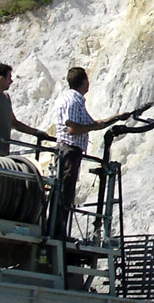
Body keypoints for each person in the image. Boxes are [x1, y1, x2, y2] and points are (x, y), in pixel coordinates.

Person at [54, 67, 130, 238]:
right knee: (64, 191)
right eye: (87, 79)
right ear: (82, 81)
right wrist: (90, 128)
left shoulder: (75, 100)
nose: (89, 82)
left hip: (71, 151)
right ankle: (58, 232)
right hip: (69, 150)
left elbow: (95, 124)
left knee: (66, 191)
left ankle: (59, 230)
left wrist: (117, 117)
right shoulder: (73, 101)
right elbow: (72, 128)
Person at [0, 63, 51, 156]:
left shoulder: (6, 97)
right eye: (9, 78)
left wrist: (36, 132)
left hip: (3, 152)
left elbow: (14, 123)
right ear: (1, 79)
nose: (11, 81)